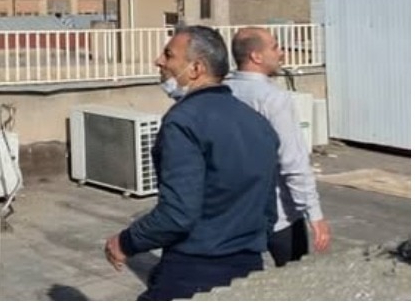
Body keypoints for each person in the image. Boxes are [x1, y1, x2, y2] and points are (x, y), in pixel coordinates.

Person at [105, 26, 280, 301]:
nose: (159, 62)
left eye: (169, 55)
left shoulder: (183, 121)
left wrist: (125, 241)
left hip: (193, 271)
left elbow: (177, 214)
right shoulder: (258, 124)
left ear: (196, 68)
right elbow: (268, 211)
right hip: (248, 271)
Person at [228, 26, 331, 266]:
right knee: (295, 281)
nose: (282, 53)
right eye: (275, 47)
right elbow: (293, 161)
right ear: (256, 56)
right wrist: (314, 214)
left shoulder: (224, 91)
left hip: (234, 212)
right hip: (278, 213)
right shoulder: (272, 98)